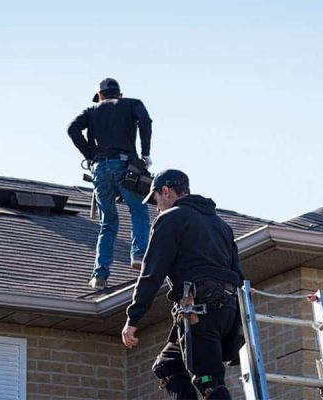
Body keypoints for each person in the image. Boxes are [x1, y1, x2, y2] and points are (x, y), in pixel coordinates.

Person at [122, 169, 244, 400]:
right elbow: (238, 273)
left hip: (200, 310)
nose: (156, 207)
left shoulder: (170, 219)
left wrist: (133, 319)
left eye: (156, 200)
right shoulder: (220, 225)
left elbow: (151, 274)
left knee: (209, 381)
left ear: (165, 191)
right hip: (226, 310)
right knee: (167, 365)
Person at [67, 78, 152, 290]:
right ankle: (139, 255)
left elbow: (72, 129)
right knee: (139, 212)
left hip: (100, 169)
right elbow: (145, 121)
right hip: (124, 166)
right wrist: (145, 153)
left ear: (101, 96)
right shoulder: (132, 104)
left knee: (108, 222)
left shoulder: (91, 111)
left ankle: (99, 275)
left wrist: (90, 153)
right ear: (120, 94)